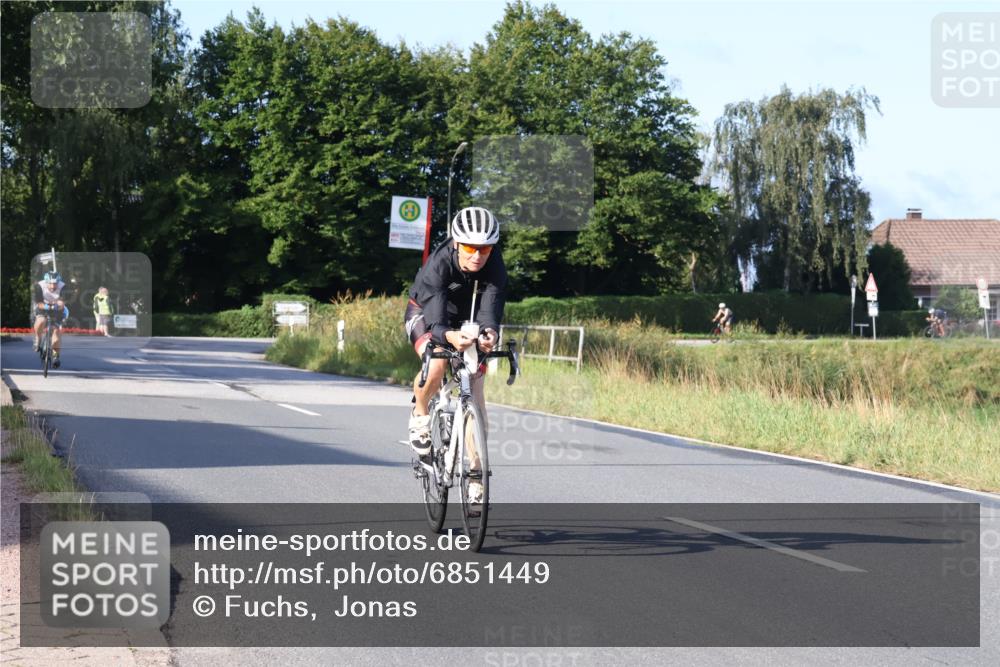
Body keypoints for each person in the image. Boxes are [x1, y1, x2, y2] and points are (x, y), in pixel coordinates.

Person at [404, 206, 507, 504]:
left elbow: (490, 311)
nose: (478, 255)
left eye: (485, 248)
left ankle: (476, 472)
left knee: (475, 389)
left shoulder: (495, 265)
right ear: (456, 243)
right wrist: (449, 337)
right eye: (471, 247)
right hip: (426, 313)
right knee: (436, 363)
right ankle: (420, 415)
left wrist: (489, 335)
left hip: (467, 318)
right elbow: (437, 324)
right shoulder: (439, 263)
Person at [32, 271, 71, 367]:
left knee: (56, 331)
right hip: (43, 307)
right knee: (41, 321)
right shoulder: (39, 286)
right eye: (50, 283)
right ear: (46, 282)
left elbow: (62, 303)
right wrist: (46, 307)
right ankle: (38, 338)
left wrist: (56, 306)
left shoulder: (63, 287)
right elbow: (39, 303)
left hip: (57, 309)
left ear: (58, 282)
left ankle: (55, 356)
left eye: (55, 283)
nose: (53, 286)